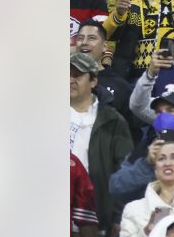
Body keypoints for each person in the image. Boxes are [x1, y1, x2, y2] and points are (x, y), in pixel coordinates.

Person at [71, 52, 134, 231]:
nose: (70, 80)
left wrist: (118, 214)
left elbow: (125, 170)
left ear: (93, 81)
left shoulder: (112, 120)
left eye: (77, 75)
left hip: (95, 214)